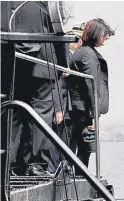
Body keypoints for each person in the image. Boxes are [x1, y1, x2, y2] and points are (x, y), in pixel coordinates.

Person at [3, 1, 68, 176]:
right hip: (42, 60)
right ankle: (33, 164)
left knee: (11, 112)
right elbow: (58, 26)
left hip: (8, 60)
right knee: (41, 113)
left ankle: (6, 163)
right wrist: (64, 63)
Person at [68, 18, 115, 173]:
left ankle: (80, 179)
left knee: (80, 148)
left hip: (80, 106)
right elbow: (91, 85)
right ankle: (81, 181)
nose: (105, 39)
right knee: (84, 149)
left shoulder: (82, 52)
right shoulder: (88, 55)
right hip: (84, 109)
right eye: (104, 35)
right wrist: (93, 114)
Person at [50, 22, 86, 172]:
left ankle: (65, 171)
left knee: (70, 144)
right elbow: (56, 86)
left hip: (72, 109)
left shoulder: (76, 59)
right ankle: (55, 171)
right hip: (63, 107)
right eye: (76, 39)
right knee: (58, 143)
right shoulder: (63, 58)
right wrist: (58, 109)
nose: (78, 43)